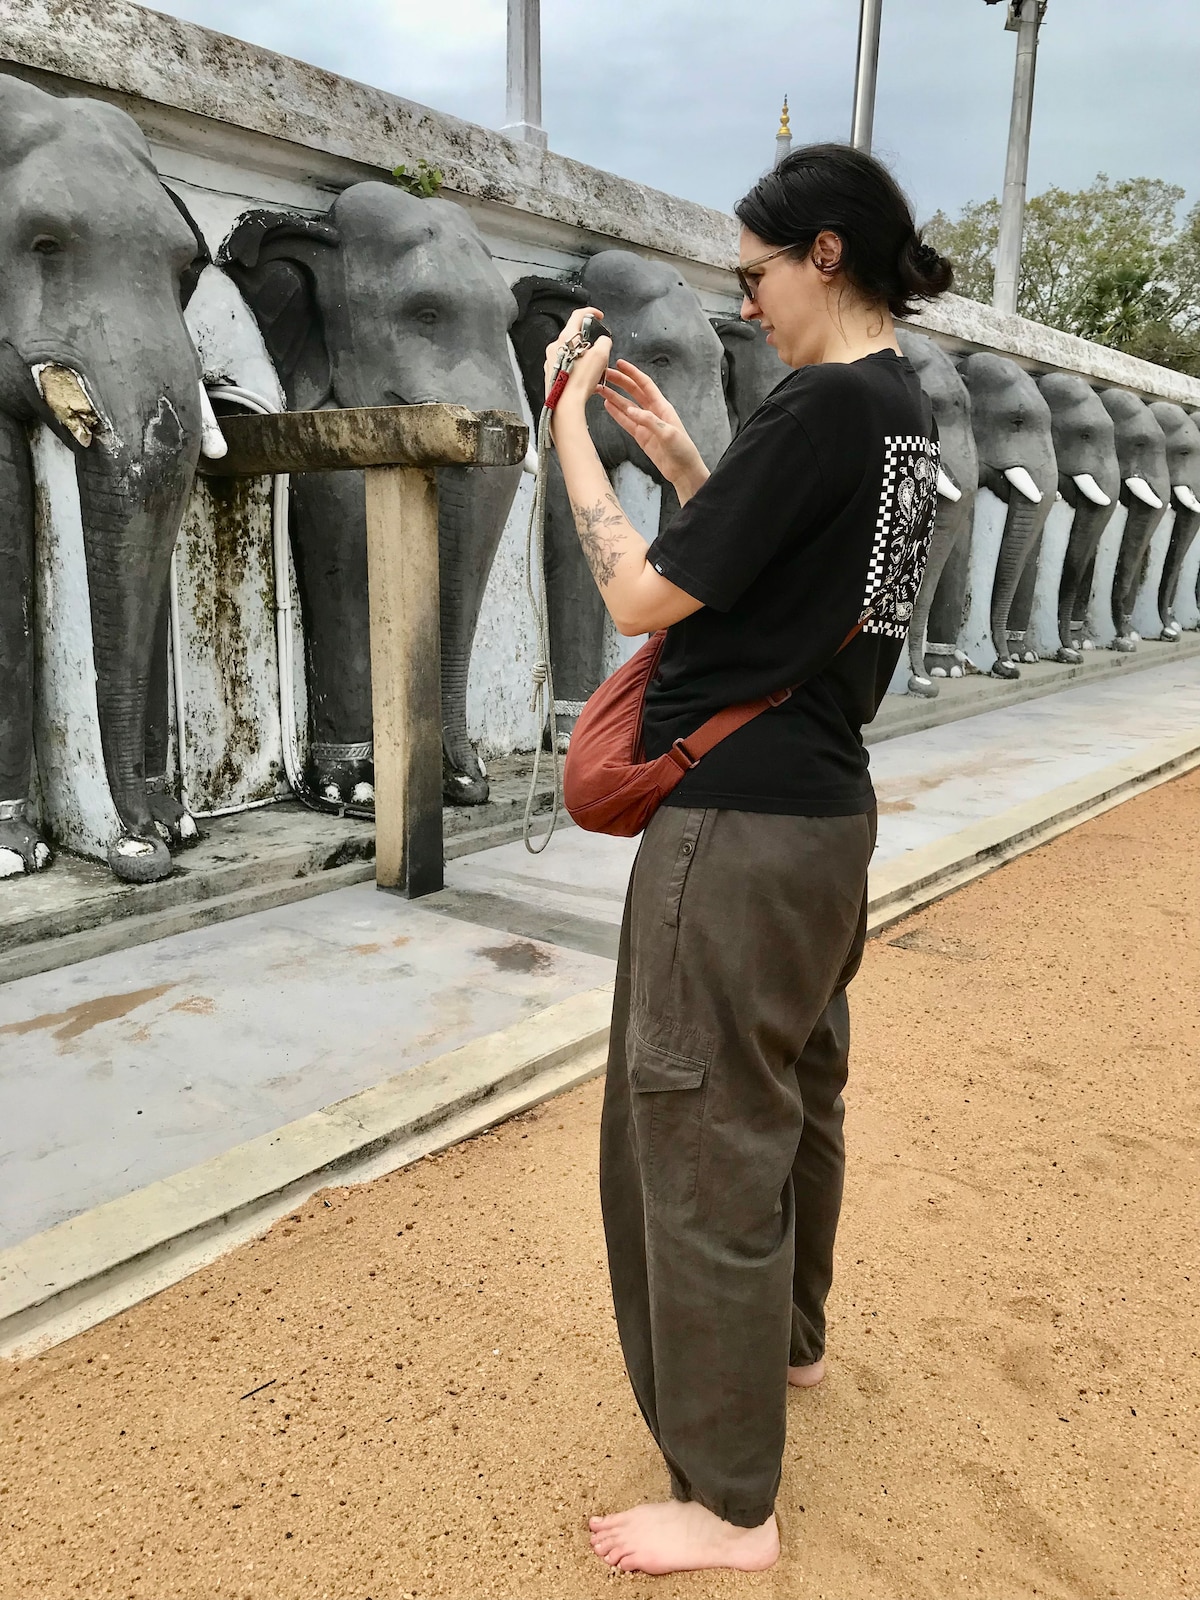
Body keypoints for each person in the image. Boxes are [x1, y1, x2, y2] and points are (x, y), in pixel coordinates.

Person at [543, 142, 953, 1576]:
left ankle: (728, 1503)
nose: (751, 301)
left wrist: (572, 445)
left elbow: (641, 590)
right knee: (791, 1093)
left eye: (758, 274)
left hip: (738, 831)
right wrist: (681, 463)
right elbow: (806, 576)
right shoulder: (904, 412)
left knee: (700, 1125)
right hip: (831, 819)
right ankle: (788, 1347)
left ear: (824, 254)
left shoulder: (820, 407)